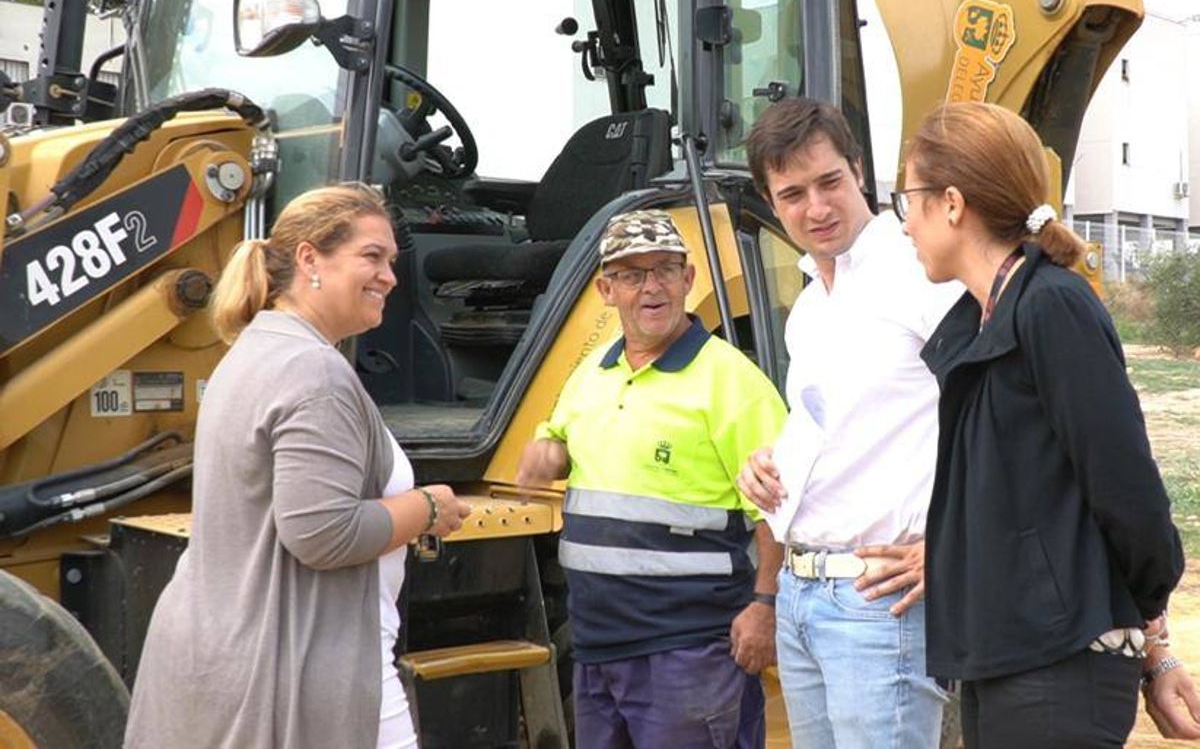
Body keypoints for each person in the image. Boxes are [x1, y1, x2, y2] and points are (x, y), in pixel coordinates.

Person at [125, 185, 472, 749]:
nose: (390, 277)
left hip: (229, 652)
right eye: (372, 257)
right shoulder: (314, 373)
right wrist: (428, 507)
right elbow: (323, 534)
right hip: (299, 668)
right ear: (310, 258)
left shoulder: (254, 351)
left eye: (391, 261)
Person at [898, 99, 1200, 746]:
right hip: (1005, 655)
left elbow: (1128, 493)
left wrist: (1155, 642)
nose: (904, 226)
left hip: (1057, 666)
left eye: (909, 202)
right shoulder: (982, 321)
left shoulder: (1051, 307)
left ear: (951, 203)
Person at [515, 209, 788, 748]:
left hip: (690, 653)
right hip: (597, 647)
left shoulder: (732, 382)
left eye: (665, 270)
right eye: (633, 275)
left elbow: (782, 513)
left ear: (689, 280)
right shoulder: (592, 373)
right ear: (605, 289)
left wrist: (765, 608)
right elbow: (560, 437)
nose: (652, 287)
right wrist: (548, 452)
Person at [737, 96, 960, 747]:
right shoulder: (809, 306)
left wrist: (954, 546)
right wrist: (770, 463)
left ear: (859, 169)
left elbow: (1002, 414)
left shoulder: (922, 276)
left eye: (829, 182)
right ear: (770, 201)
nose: (817, 208)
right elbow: (843, 425)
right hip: (803, 599)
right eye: (793, 193)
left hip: (877, 605)